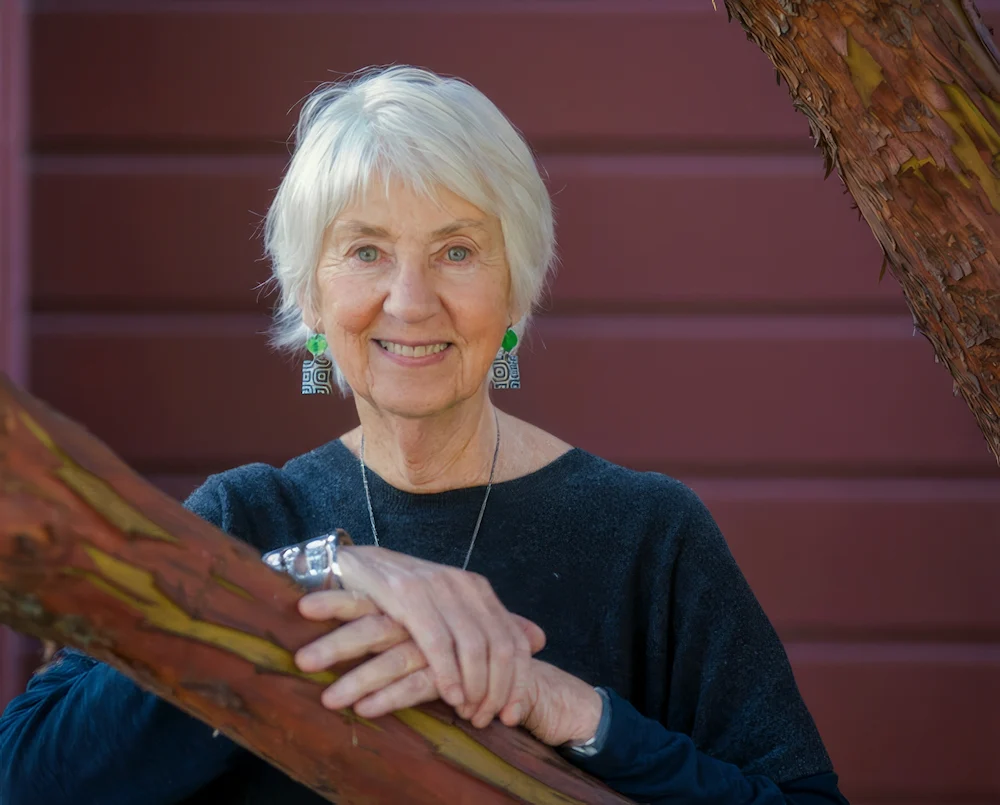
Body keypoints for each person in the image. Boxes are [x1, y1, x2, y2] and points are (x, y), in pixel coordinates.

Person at [0, 66, 850, 805]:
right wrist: (298, 583)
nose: (410, 301)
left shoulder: (647, 536)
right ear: (313, 299)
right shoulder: (246, 520)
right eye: (366, 251)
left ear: (515, 292)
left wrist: (577, 713)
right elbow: (24, 777)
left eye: (457, 251)